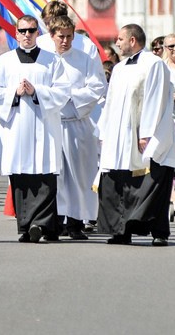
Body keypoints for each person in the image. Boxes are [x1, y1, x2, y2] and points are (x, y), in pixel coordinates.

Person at [0, 15, 70, 243]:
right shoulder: (5, 62)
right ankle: (26, 226)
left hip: (44, 127)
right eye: (22, 31)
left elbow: (63, 92)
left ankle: (41, 224)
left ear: (37, 33)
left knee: (44, 176)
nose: (27, 35)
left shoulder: (52, 61)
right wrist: (14, 92)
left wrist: (37, 92)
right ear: (16, 33)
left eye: (31, 30)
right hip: (17, 129)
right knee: (21, 176)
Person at [97, 24, 175, 246]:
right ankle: (121, 230)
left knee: (151, 182)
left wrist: (146, 134)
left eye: (120, 39)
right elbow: (110, 101)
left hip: (145, 135)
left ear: (133, 40)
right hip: (119, 136)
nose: (117, 43)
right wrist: (104, 131)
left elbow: (156, 99)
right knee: (119, 182)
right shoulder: (120, 68)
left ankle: (159, 232)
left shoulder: (153, 64)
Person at [49, 16, 106, 240]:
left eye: (69, 36)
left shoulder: (84, 59)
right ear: (52, 36)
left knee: (78, 176)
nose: (65, 41)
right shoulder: (45, 59)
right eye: (60, 36)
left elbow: (98, 85)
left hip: (76, 123)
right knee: (56, 175)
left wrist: (70, 98)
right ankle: (56, 221)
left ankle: (76, 222)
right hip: (52, 123)